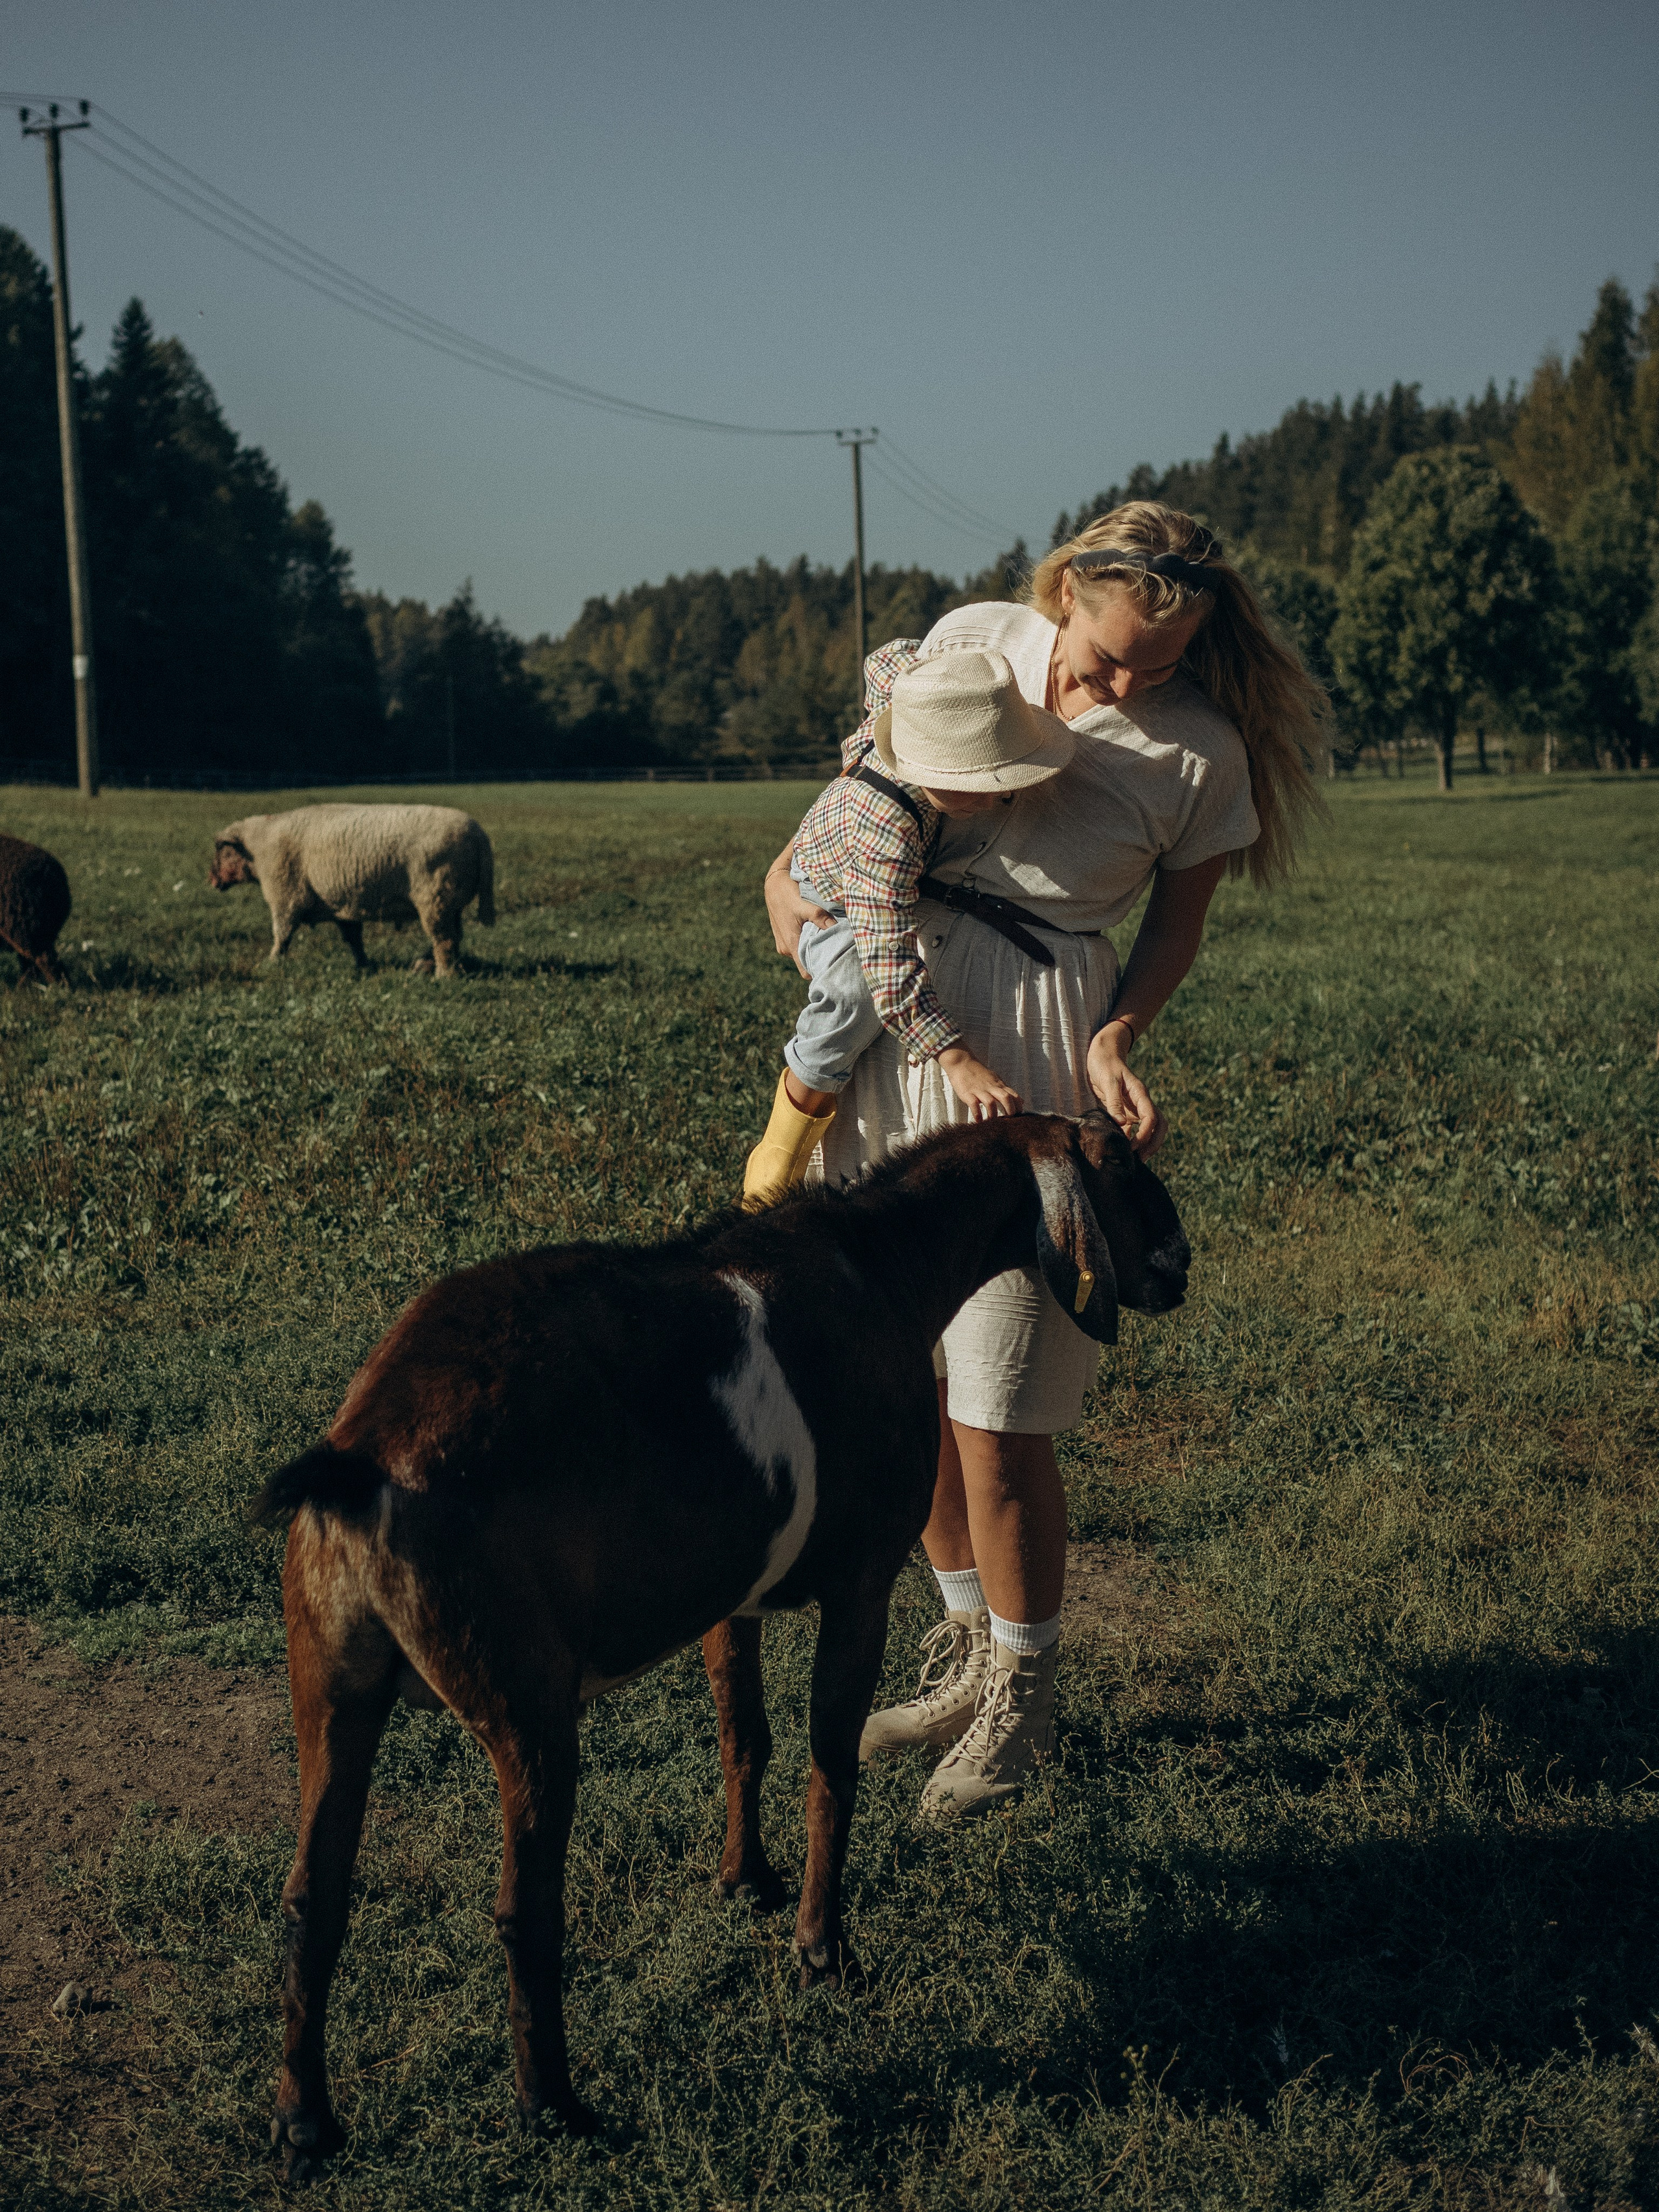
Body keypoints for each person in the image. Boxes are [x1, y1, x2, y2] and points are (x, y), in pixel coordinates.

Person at [760, 502, 1327, 1820]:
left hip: (1029, 1048)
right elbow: (868, 781)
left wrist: (1120, 1034)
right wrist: (801, 896)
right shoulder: (970, 639)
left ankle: (1024, 1700)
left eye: (1160, 666)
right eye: (1110, 653)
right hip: (895, 1029)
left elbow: (1173, 930)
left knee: (1001, 1408)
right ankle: (965, 1646)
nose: (1124, 684)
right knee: (896, 1376)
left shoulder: (1198, 754)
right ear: (1066, 589)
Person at [742, 649, 1074, 1207]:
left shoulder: (912, 703)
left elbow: (884, 659)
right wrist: (955, 1057)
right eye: (974, 783)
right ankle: (776, 1158)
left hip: (859, 860)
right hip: (835, 894)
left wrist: (934, 669)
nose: (994, 796)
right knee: (853, 995)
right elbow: (890, 962)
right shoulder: (888, 832)